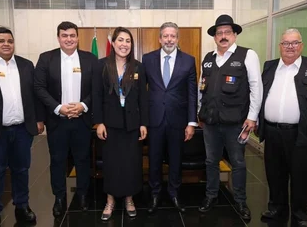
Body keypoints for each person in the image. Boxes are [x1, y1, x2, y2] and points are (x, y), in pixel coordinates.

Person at [198, 14, 263, 220]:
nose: (223, 36)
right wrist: (200, 112)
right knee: (210, 161)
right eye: (219, 33)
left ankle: (241, 201)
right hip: (210, 122)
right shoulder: (208, 59)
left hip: (236, 123)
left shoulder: (247, 55)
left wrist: (252, 117)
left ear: (234, 35)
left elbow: (256, 87)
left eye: (227, 32)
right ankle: (211, 195)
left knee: (238, 162)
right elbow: (202, 89)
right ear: (215, 37)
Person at [34, 21, 99, 218]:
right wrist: (58, 108)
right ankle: (59, 198)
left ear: (78, 38)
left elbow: (96, 89)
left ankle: (82, 195)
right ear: (58, 38)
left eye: (72, 35)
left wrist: (83, 106)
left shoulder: (90, 59)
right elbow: (39, 88)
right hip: (57, 121)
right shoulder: (46, 59)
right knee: (57, 160)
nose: (69, 39)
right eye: (64, 35)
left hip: (82, 119)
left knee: (83, 159)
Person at [258, 28, 307, 227]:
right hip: (273, 131)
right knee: (275, 173)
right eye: (286, 43)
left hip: (302, 134)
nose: (290, 47)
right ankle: (277, 208)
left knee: (302, 176)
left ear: (301, 45)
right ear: (280, 46)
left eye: (294, 43)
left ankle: (300, 215)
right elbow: (259, 95)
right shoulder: (270, 67)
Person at [0, 27, 44, 227]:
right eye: (1, 40)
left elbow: (35, 95)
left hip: (22, 129)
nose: (6, 44)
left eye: (10, 41)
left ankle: (22, 206)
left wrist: (39, 119)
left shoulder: (25, 65)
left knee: (21, 169)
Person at [142, 22, 198, 213]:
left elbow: (192, 93)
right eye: (165, 36)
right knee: (154, 158)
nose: (169, 39)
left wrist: (191, 122)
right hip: (154, 120)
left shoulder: (189, 61)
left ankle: (174, 194)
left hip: (178, 121)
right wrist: (143, 121)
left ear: (177, 38)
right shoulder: (147, 59)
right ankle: (155, 194)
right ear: (159, 39)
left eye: (172, 36)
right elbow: (142, 92)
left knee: (176, 159)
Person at [94, 27, 148, 220]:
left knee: (132, 164)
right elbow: (97, 96)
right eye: (121, 40)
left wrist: (144, 123)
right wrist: (99, 122)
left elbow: (143, 98)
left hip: (132, 125)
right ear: (113, 43)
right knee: (111, 164)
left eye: (128, 41)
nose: (124, 44)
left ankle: (129, 199)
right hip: (109, 125)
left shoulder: (139, 67)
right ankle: (110, 200)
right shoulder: (101, 66)